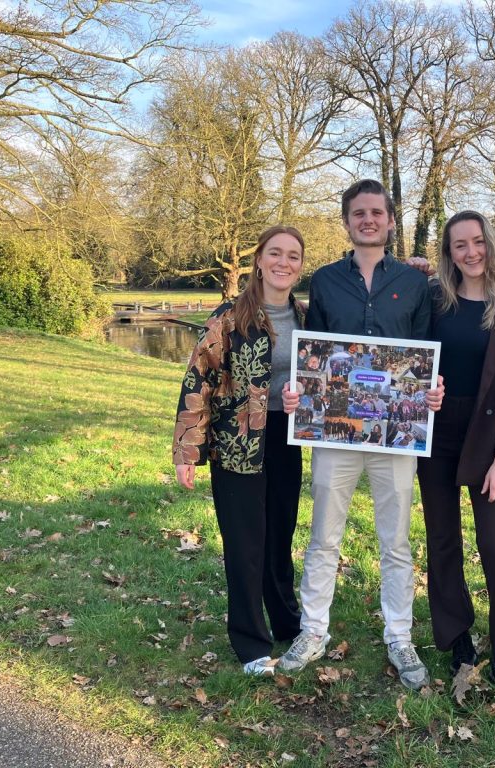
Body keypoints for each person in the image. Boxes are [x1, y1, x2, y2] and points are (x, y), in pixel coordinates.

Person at [280, 179, 443, 691]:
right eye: (358, 213)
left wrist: (432, 390)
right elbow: (314, 354)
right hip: (335, 431)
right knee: (323, 537)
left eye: (376, 212)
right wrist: (300, 393)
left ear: (391, 221)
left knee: (395, 541)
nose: (368, 220)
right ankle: (313, 631)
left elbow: (424, 353)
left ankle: (400, 636)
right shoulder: (326, 281)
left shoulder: (416, 283)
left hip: (397, 434)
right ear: (347, 221)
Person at [172, 225, 306, 677]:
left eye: (293, 256)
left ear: (300, 266)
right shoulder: (231, 317)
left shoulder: (306, 318)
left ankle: (287, 620)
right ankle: (250, 642)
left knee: (279, 537)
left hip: (286, 438)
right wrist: (187, 450)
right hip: (236, 444)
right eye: (275, 253)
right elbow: (198, 379)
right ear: (260, 261)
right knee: (246, 542)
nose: (284, 262)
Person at [416, 210, 495, 684]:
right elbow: (414, 358)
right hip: (437, 430)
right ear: (448, 253)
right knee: (443, 539)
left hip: (488, 437)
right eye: (459, 245)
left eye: (478, 241)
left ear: (491, 243)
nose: (471, 252)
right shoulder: (434, 299)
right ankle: (456, 636)